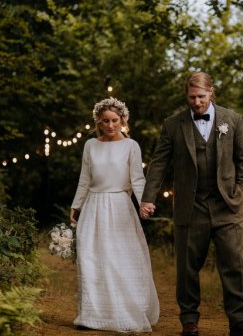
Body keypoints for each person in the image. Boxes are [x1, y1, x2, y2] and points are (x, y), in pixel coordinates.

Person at [140, 72, 243, 336]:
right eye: (192, 97)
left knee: (233, 263)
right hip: (190, 206)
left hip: (227, 205)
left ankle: (238, 319)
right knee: (187, 267)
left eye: (201, 97)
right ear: (187, 96)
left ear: (211, 92)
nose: (196, 102)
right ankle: (189, 321)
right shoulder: (173, 124)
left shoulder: (233, 120)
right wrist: (148, 197)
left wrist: (240, 192)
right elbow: (159, 162)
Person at [69, 97, 159, 332]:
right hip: (93, 206)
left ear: (123, 120)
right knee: (92, 259)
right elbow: (85, 179)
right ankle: (91, 316)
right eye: (105, 121)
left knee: (119, 259)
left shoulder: (131, 146)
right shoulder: (90, 145)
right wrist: (76, 206)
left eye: (115, 121)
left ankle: (125, 311)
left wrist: (144, 203)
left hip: (120, 207)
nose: (110, 125)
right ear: (99, 122)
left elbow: (137, 179)